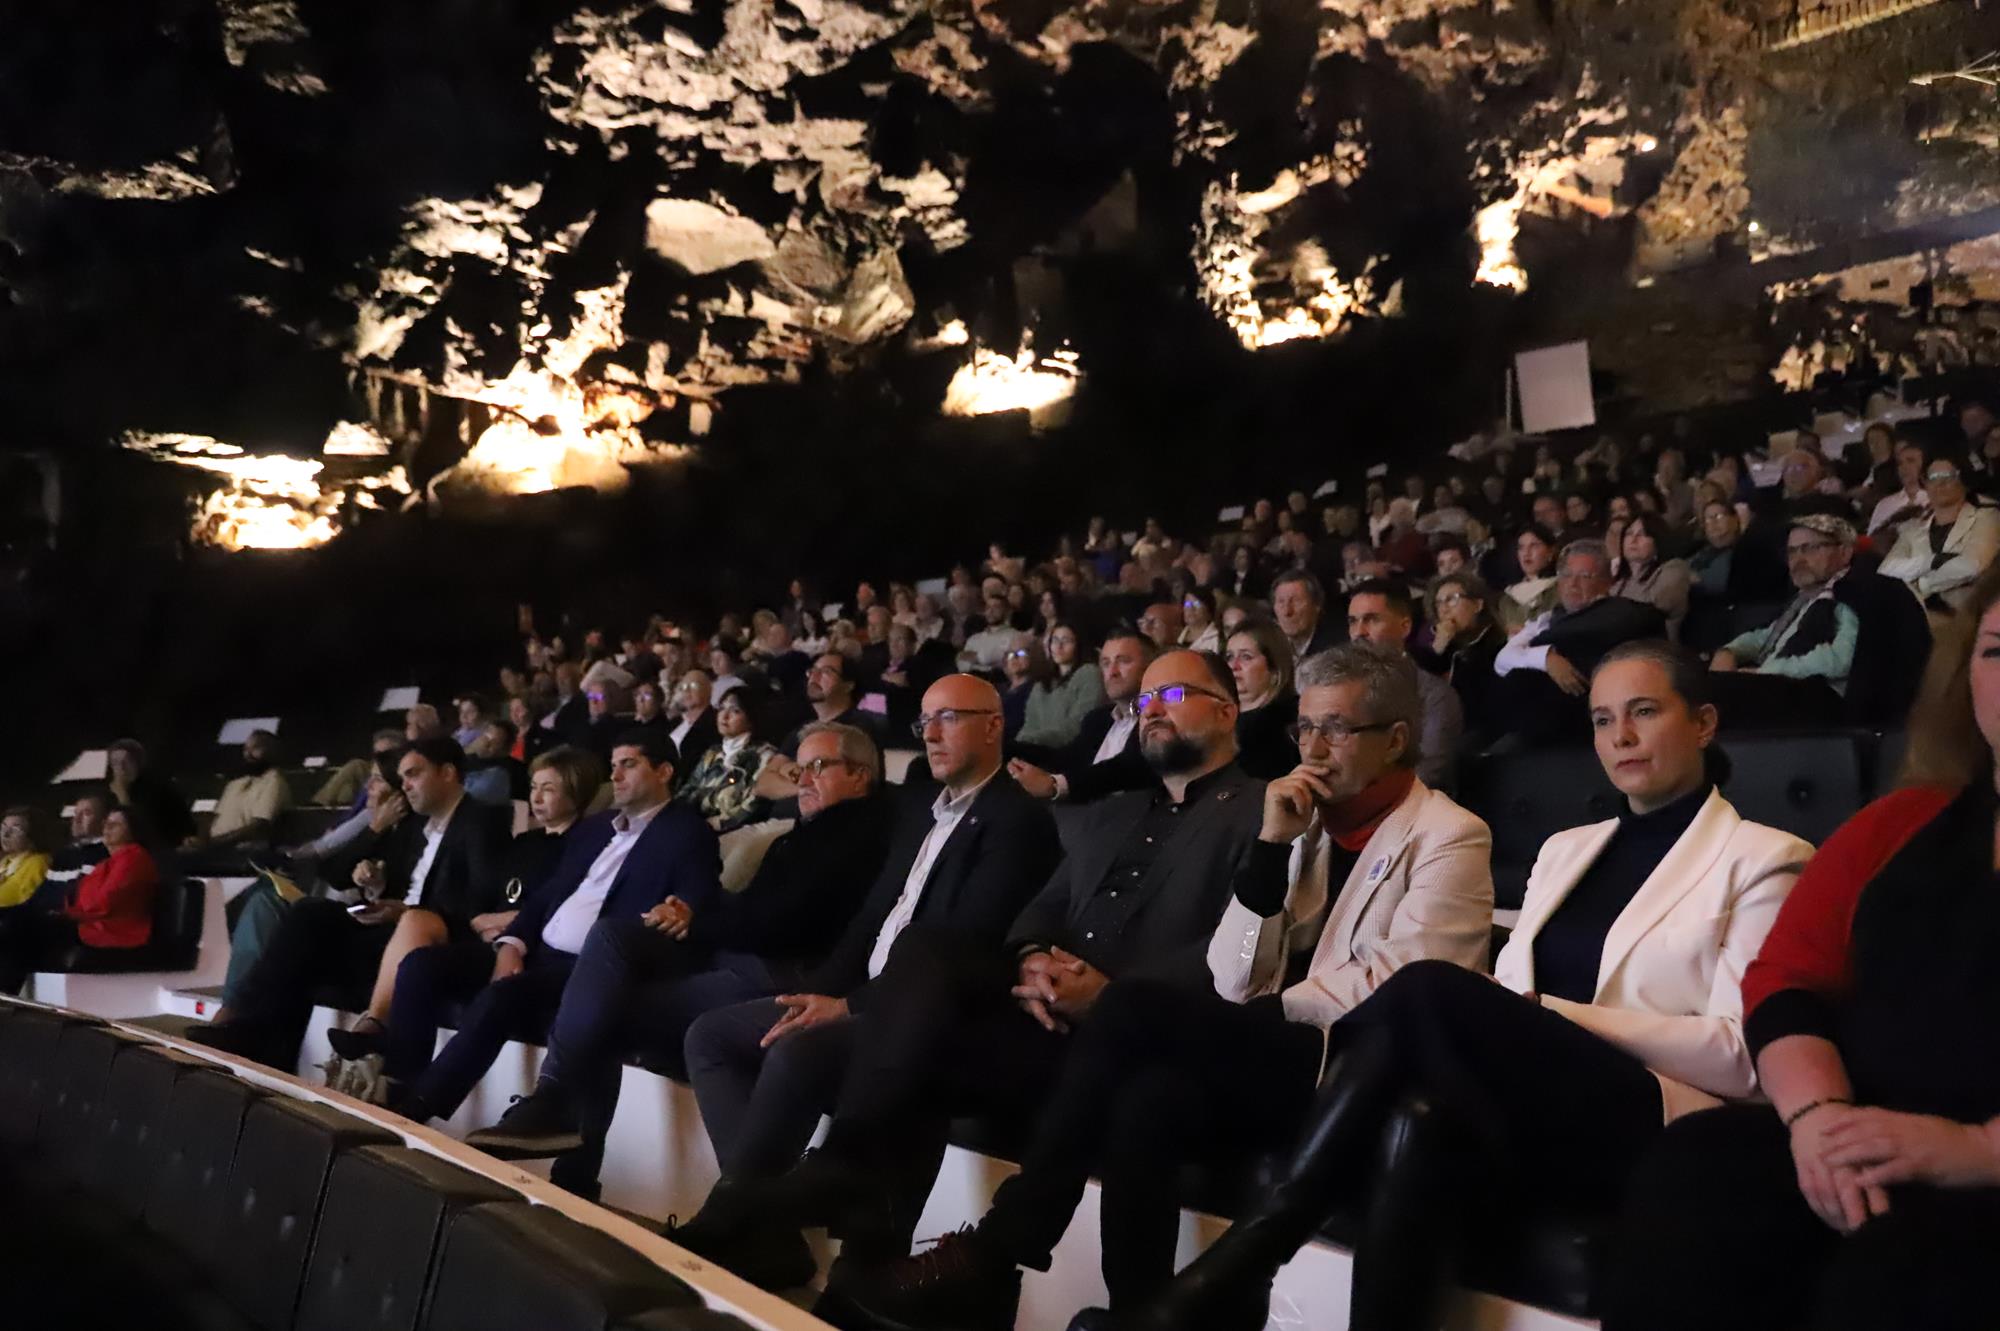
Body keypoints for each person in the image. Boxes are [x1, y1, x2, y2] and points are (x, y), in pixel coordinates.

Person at [1104, 640, 1813, 1331]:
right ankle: (1243, 1274)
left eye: (1644, 711)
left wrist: (1554, 1018)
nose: (1620, 735)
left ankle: (1245, 1260)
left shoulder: (1765, 856)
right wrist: (1530, 1020)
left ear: (1703, 722)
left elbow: (1742, 1057)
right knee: (1418, 1114)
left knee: (1427, 988)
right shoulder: (1568, 848)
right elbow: (1504, 994)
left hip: (1657, 1113)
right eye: (1601, 718)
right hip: (1538, 1099)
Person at [837, 646, 1494, 1327]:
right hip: (1274, 1054)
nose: (1315, 747)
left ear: (1393, 738)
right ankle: (1140, 1311)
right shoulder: (1303, 827)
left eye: (1337, 728)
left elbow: (1407, 985)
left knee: (1128, 1005)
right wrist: (1269, 848)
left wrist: (1271, 1011)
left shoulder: (1451, 833)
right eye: (1305, 728)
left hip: (1356, 1065)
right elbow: (1237, 971)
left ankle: (1007, 1240)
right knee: (1146, 1100)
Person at [673, 653, 1260, 1290]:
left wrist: (1112, 994)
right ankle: (855, 1266)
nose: (1150, 709)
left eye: (1170, 693)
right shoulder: (1114, 813)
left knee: (905, 1037)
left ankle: (847, 1210)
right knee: (903, 981)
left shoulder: (1259, 810)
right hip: (1039, 1012)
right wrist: (1033, 957)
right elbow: (1044, 908)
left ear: (1227, 710)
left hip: (1128, 1036)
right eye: (1143, 699)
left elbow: (1240, 950)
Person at [1600, 570, 2000, 1331]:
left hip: (1981, 1171)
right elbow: (1788, 981)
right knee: (1698, 1173)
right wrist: (1819, 1117)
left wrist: (1977, 1148)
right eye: (1997, 652)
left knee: (1908, 1270)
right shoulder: (1903, 823)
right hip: (1858, 1133)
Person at [675, 675, 1062, 1285]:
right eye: (924, 723)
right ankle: (763, 1226)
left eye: (949, 719)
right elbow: (869, 922)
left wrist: (851, 1005)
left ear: (994, 726)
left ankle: (735, 1219)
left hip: (927, 1011)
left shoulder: (1018, 822)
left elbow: (970, 946)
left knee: (798, 1050)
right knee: (712, 1035)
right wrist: (826, 992)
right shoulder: (921, 816)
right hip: (862, 992)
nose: (931, 734)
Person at [460, 723, 899, 1196]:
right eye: (800, 770)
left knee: (613, 1009)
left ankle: (566, 1137)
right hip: (737, 955)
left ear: (859, 775)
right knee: (612, 939)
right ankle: (559, 1123)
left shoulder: (856, 833)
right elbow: (753, 909)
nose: (804, 780)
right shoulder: (808, 832)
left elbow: (784, 923)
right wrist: (691, 913)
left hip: (773, 972)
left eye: (818, 767)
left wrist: (697, 922)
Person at [387, 732, 720, 1131]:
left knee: (502, 997)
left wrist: (682, 906)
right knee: (421, 964)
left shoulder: (687, 832)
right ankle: (397, 1086)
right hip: (535, 950)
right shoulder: (596, 829)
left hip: (589, 968)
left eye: (628, 764)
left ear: (664, 771)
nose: (614, 775)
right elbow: (547, 897)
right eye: (612, 765)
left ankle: (416, 1109)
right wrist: (511, 943)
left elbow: (696, 895)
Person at [192, 738, 511, 1070]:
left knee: (309, 935)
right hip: (390, 930)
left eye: (414, 774)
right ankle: (258, 1039)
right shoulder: (416, 826)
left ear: (447, 773)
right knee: (308, 916)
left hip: (429, 941)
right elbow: (339, 873)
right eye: (401, 778)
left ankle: (256, 1037)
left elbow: (481, 902)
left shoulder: (481, 821)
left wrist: (404, 912)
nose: (405, 786)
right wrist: (378, 884)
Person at [335, 746, 597, 1087]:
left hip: (526, 946)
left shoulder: (587, 843)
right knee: (417, 949)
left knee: (423, 964)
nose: (537, 797)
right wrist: (483, 919)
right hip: (485, 934)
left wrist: (510, 924)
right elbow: (488, 895)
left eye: (548, 788)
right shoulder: (525, 841)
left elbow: (568, 908)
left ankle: (398, 1080)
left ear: (575, 791)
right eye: (533, 787)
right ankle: (391, 1065)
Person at [1494, 540, 1669, 744]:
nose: (1573, 583)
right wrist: (1546, 658)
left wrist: (1538, 649)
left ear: (1606, 582)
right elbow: (1503, 659)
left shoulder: (1624, 614)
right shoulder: (1546, 619)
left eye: (1585, 577)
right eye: (1567, 575)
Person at [0, 806, 159, 994]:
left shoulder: (134, 858)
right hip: (87, 920)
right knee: (12, 919)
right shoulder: (110, 861)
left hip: (107, 928)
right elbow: (83, 896)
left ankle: (6, 994)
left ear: (132, 830)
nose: (107, 828)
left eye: (115, 824)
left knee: (19, 926)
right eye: (106, 824)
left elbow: (102, 902)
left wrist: (68, 912)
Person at [1008, 630, 1158, 803]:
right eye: (1106, 663)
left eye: (1123, 661)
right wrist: (1008, 749)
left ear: (1150, 667)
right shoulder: (1098, 720)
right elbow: (1065, 758)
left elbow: (1126, 768)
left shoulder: (1158, 716)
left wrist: (1056, 785)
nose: (1112, 672)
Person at [1343, 580, 1463, 790]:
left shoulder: (1435, 696)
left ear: (1405, 626)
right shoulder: (1339, 689)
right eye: (1353, 621)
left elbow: (1429, 773)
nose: (1359, 632)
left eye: (1371, 620)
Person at [1877, 451, 2000, 614]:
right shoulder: (1913, 529)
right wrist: (1931, 562)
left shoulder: (1987, 516)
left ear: (1962, 480)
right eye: (1933, 478)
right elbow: (1886, 571)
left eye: (1948, 476)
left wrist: (1921, 584)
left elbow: (1972, 565)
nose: (1940, 483)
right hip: (1920, 616)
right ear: (1925, 483)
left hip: (1968, 613)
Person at [677, 688, 778, 832]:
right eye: (722, 708)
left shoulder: (764, 756)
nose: (724, 716)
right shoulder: (712, 753)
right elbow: (689, 788)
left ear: (751, 718)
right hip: (694, 824)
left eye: (735, 711)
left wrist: (711, 826)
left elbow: (753, 805)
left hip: (730, 832)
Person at [185, 729, 291, 864]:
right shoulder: (234, 784)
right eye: (246, 749)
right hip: (215, 849)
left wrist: (211, 844)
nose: (248, 754)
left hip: (243, 852)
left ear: (271, 751)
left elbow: (258, 828)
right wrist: (199, 840)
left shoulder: (274, 782)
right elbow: (213, 819)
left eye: (256, 748)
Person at [1425, 572, 1503, 738]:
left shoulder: (1497, 644)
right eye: (1438, 603)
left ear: (1477, 605)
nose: (1444, 609)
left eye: (1452, 599)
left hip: (1483, 733)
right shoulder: (1444, 649)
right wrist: (1438, 649)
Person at [1221, 620, 1300, 782]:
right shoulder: (1219, 719)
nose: (1233, 666)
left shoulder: (1289, 723)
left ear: (1275, 669)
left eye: (1246, 657)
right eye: (1229, 657)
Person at [1016, 622, 1105, 749]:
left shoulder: (1089, 673)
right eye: (1055, 640)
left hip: (1070, 752)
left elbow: (1077, 726)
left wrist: (1027, 741)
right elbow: (1029, 726)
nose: (1059, 646)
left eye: (1066, 641)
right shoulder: (1040, 685)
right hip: (1034, 750)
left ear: (1078, 645)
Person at [1613, 514, 1693, 641]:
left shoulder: (1674, 569)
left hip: (1656, 649)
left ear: (1658, 541)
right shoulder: (1619, 582)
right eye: (1629, 533)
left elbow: (1654, 612)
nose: (1633, 539)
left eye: (1643, 534)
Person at [104, 739, 196, 849]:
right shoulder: (109, 793)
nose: (121, 768)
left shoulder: (159, 790)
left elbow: (144, 831)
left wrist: (123, 797)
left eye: (127, 762)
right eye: (115, 763)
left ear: (138, 763)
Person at [42, 793, 110, 899]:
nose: (76, 820)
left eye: (86, 814)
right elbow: (40, 896)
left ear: (104, 821)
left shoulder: (104, 853)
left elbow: (77, 897)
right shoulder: (64, 854)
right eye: (75, 813)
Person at [1864, 439, 1928, 538]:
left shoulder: (1936, 498)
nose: (1904, 467)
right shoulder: (1884, 505)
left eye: (1910, 461)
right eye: (1900, 463)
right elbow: (1872, 541)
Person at [1271, 571, 1340, 662]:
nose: (1287, 611)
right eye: (1281, 602)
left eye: (1296, 601)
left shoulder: (1336, 650)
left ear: (1317, 605)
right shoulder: (1269, 648)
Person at [1503, 524, 1560, 630]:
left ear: (1551, 552)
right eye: (1521, 547)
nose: (1526, 553)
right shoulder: (1508, 597)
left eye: (1534, 546)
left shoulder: (1561, 589)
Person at [999, 634, 1049, 741]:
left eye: (1021, 652)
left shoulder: (1037, 690)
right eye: (1010, 654)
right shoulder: (999, 689)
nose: (1014, 657)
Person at [0, 808, 51, 911]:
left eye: (15, 830)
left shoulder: (39, 863)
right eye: (3, 827)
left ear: (32, 835)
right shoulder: (5, 861)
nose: (5, 834)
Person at [1180, 588, 1222, 654]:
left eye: (1197, 604)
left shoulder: (1217, 638)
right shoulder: (1177, 635)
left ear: (1208, 610)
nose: (1191, 608)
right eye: (1187, 604)